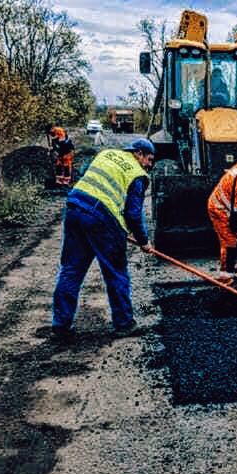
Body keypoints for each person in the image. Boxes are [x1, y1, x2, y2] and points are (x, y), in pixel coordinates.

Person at [51, 138, 155, 339]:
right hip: (101, 219)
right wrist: (144, 241)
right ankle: (124, 323)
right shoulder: (137, 174)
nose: (149, 165)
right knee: (116, 272)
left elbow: (84, 177)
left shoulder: (106, 153)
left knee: (71, 270)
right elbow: (133, 214)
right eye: (149, 159)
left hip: (74, 209)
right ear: (139, 154)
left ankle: (60, 326)